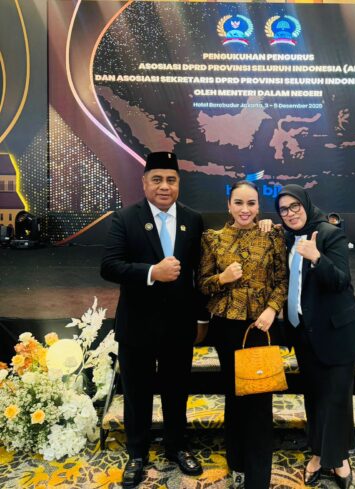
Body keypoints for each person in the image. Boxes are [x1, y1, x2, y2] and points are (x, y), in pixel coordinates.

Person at [101, 151, 208, 488]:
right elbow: (109, 266)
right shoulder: (125, 218)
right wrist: (151, 272)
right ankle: (137, 453)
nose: (164, 186)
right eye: (157, 179)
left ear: (179, 183)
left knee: (177, 391)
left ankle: (177, 447)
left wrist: (201, 319)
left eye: (171, 180)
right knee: (137, 393)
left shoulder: (193, 219)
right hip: (137, 326)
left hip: (179, 326)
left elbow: (200, 273)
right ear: (144, 182)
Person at [275, 185, 355, 489]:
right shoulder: (287, 237)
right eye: (284, 209)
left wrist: (317, 257)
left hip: (338, 333)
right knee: (315, 397)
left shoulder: (329, 234)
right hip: (306, 333)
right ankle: (318, 454)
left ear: (306, 204)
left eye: (295, 206)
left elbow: (341, 281)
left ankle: (337, 460)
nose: (290, 213)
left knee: (335, 398)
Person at [198, 181, 288, 489]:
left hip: (261, 327)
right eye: (239, 202)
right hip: (227, 327)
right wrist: (222, 278)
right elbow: (202, 284)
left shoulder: (272, 235)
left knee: (260, 402)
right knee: (234, 397)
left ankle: (258, 478)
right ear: (228, 205)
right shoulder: (213, 239)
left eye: (251, 203)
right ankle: (236, 462)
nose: (245, 209)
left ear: (258, 206)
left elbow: (282, 279)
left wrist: (272, 309)